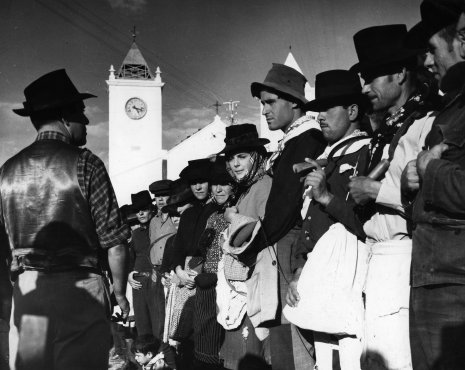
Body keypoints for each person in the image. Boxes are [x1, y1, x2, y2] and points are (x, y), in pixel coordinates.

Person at [0, 69, 130, 369]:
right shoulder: (86, 163)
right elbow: (115, 243)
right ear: (65, 117)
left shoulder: (7, 171)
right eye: (81, 114)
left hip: (29, 292)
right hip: (80, 291)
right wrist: (120, 292)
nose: (86, 121)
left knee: (32, 363)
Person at [347, 25, 437, 369]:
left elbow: (430, 199)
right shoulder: (387, 129)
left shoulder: (425, 123)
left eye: (371, 78)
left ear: (400, 73)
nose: (365, 89)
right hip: (379, 257)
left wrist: (374, 190)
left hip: (404, 255)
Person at [226, 63, 325, 370]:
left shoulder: (306, 140)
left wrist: (252, 246)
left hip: (287, 247)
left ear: (295, 102)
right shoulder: (290, 142)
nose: (265, 110)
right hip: (278, 247)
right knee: (281, 343)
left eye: (270, 102)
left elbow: (283, 209)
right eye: (262, 104)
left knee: (293, 346)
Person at [286, 69, 371, 370]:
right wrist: (298, 269)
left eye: (327, 108)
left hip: (349, 278)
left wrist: (325, 197)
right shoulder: (328, 156)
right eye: (317, 110)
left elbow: (365, 224)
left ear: (352, 110)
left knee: (350, 359)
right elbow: (308, 224)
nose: (320, 116)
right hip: (318, 275)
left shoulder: (366, 153)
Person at [402, 1, 465, 368]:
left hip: (454, 286)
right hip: (435, 278)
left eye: (431, 50)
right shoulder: (452, 107)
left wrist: (429, 169)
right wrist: (414, 183)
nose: (426, 62)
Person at [216, 123, 273, 370]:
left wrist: (232, 221)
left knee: (251, 358)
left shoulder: (264, 185)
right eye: (232, 158)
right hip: (241, 285)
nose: (236, 164)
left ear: (257, 157)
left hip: (255, 282)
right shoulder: (245, 189)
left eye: (242, 157)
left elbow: (263, 230)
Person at [169, 158, 218, 369]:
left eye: (202, 182)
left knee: (205, 328)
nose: (198, 187)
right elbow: (177, 247)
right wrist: (179, 270)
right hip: (185, 275)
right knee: (185, 330)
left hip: (207, 271)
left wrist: (196, 273)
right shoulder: (188, 213)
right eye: (194, 183)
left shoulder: (217, 208)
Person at [192, 159, 235, 370]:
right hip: (207, 283)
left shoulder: (235, 212)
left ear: (233, 186)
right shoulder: (212, 215)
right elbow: (203, 251)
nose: (218, 189)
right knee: (203, 334)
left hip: (227, 283)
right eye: (215, 184)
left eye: (224, 184)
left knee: (222, 339)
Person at [127, 190, 162, 338]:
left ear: (151, 209)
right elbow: (130, 258)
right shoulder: (135, 234)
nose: (140, 213)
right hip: (139, 283)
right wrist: (129, 274)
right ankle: (147, 359)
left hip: (157, 281)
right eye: (137, 211)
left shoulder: (159, 227)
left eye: (144, 210)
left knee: (159, 324)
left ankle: (163, 359)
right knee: (142, 324)